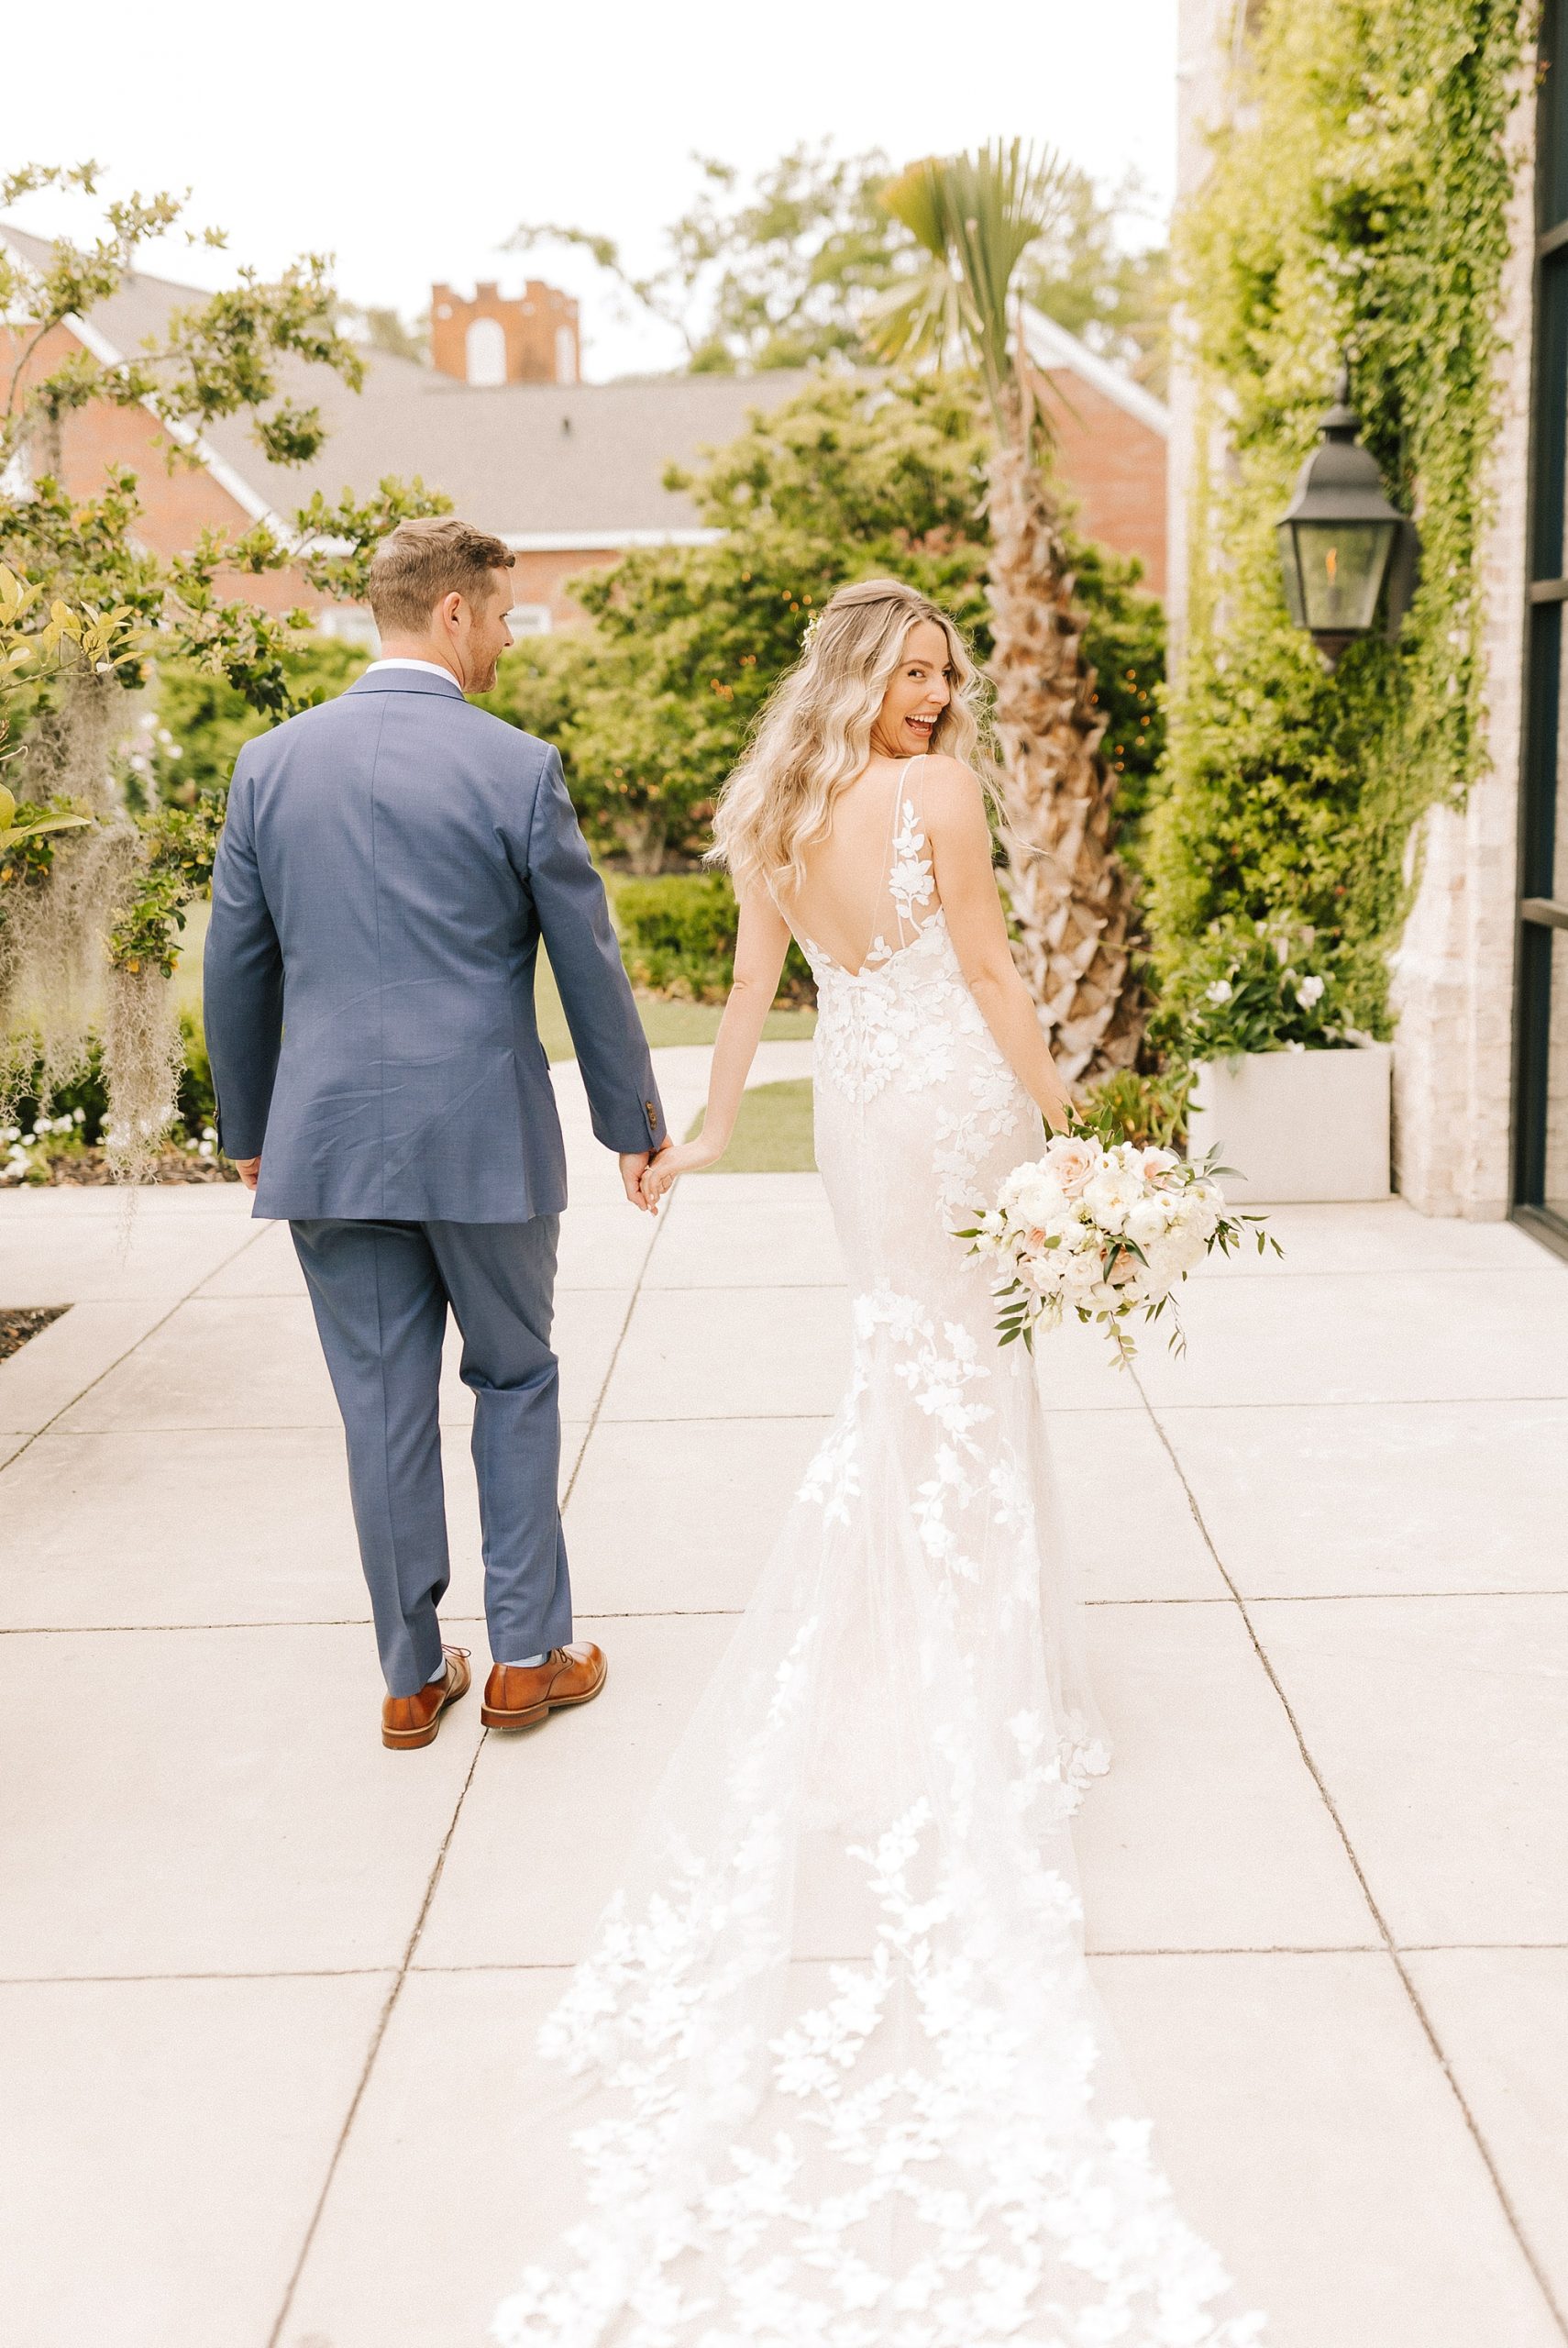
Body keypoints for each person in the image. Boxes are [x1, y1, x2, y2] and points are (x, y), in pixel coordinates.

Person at [493, 580, 1264, 2344]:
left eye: (944, 674)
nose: (935, 697)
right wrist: (1065, 1117)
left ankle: (913, 1650)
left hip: (858, 1111)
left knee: (909, 1369)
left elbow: (756, 999)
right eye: (913, 672)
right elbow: (989, 966)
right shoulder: (932, 799)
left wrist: (696, 1139)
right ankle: (971, 1671)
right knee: (965, 1386)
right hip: (946, 1107)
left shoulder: (774, 807)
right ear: (862, 672)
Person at [202, 516, 666, 1751]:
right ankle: (524, 1659)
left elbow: (234, 968)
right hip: (483, 1144)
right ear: (453, 612)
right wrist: (630, 1123)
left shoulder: (268, 764)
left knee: (380, 1406)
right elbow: (589, 961)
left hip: (328, 1140)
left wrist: (249, 1125)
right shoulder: (514, 767)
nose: (512, 635)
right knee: (513, 1381)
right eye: (507, 613)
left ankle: (410, 1679)